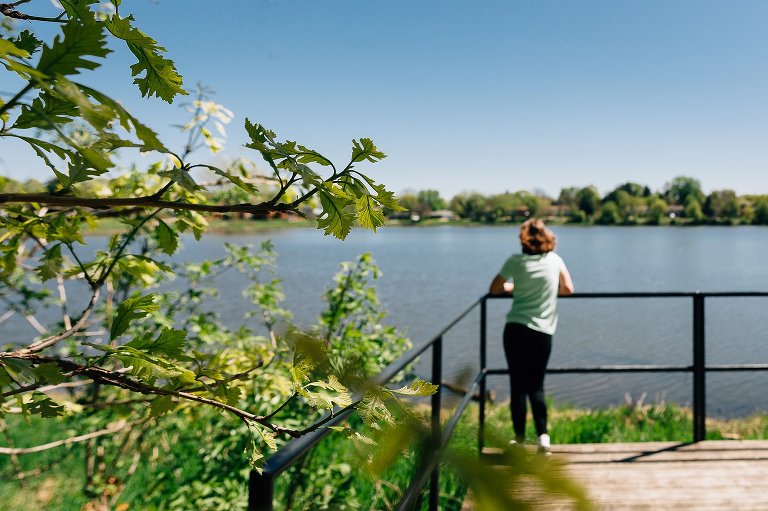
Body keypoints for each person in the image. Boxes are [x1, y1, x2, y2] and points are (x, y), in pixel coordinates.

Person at [488, 218, 574, 454]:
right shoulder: (555, 260)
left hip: (515, 329)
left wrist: (516, 288)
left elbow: (494, 289)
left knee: (518, 386)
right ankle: (543, 439)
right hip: (542, 333)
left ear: (523, 240)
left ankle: (518, 439)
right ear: (548, 239)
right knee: (537, 386)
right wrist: (545, 289)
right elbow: (568, 289)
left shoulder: (515, 262)